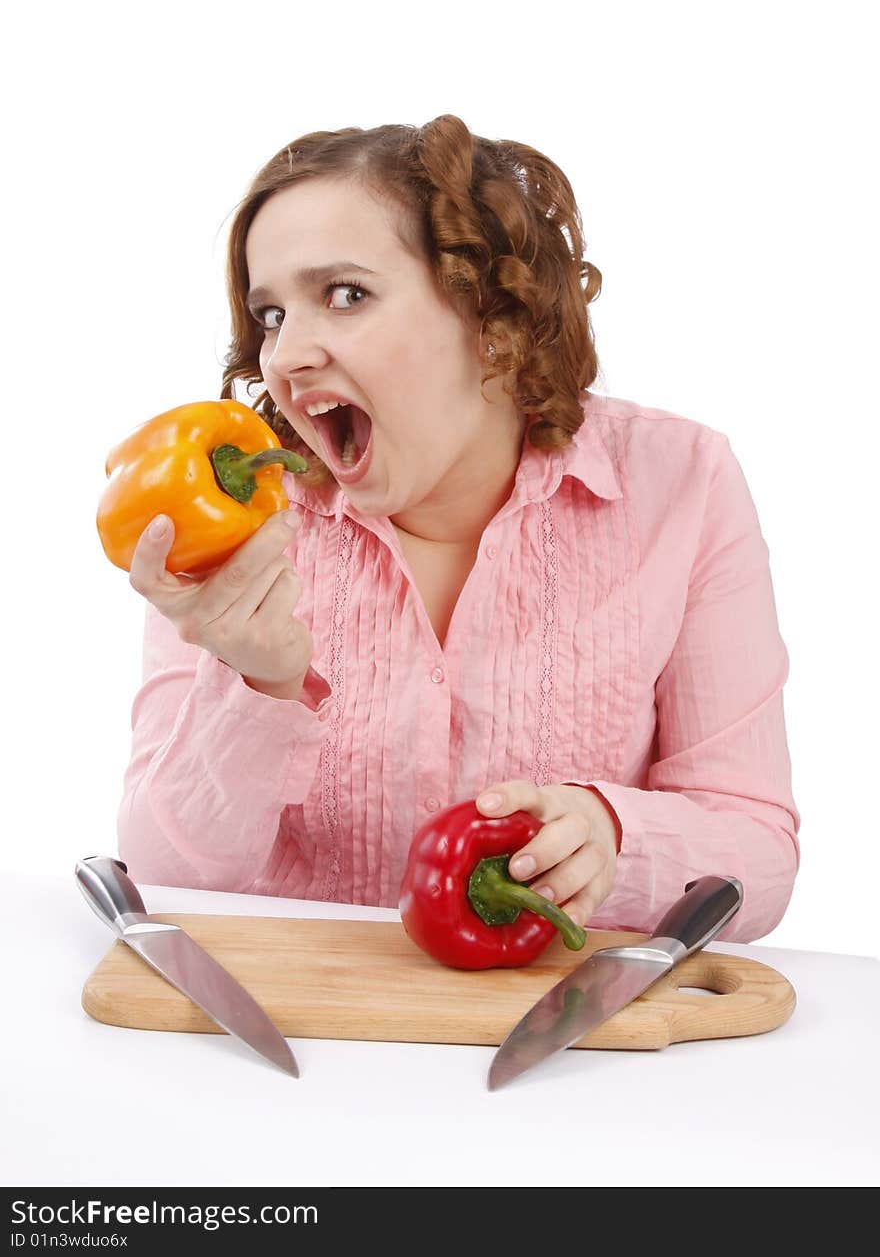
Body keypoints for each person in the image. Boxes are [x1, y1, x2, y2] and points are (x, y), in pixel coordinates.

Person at [117, 114, 799, 941]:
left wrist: (614, 837)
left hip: (567, 1043)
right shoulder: (225, 517)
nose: (286, 356)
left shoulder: (681, 485)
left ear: (492, 317)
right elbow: (165, 882)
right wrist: (256, 686)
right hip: (297, 1026)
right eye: (271, 315)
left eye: (345, 294)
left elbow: (758, 860)